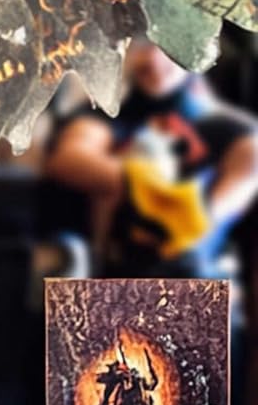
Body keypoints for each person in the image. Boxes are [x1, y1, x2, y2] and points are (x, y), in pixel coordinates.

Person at [46, 40, 258, 279]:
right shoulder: (104, 118)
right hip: (116, 274)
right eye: (144, 47)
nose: (154, 59)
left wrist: (202, 213)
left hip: (201, 274)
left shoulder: (231, 128)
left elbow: (245, 170)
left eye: (167, 47)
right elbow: (69, 157)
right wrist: (144, 185)